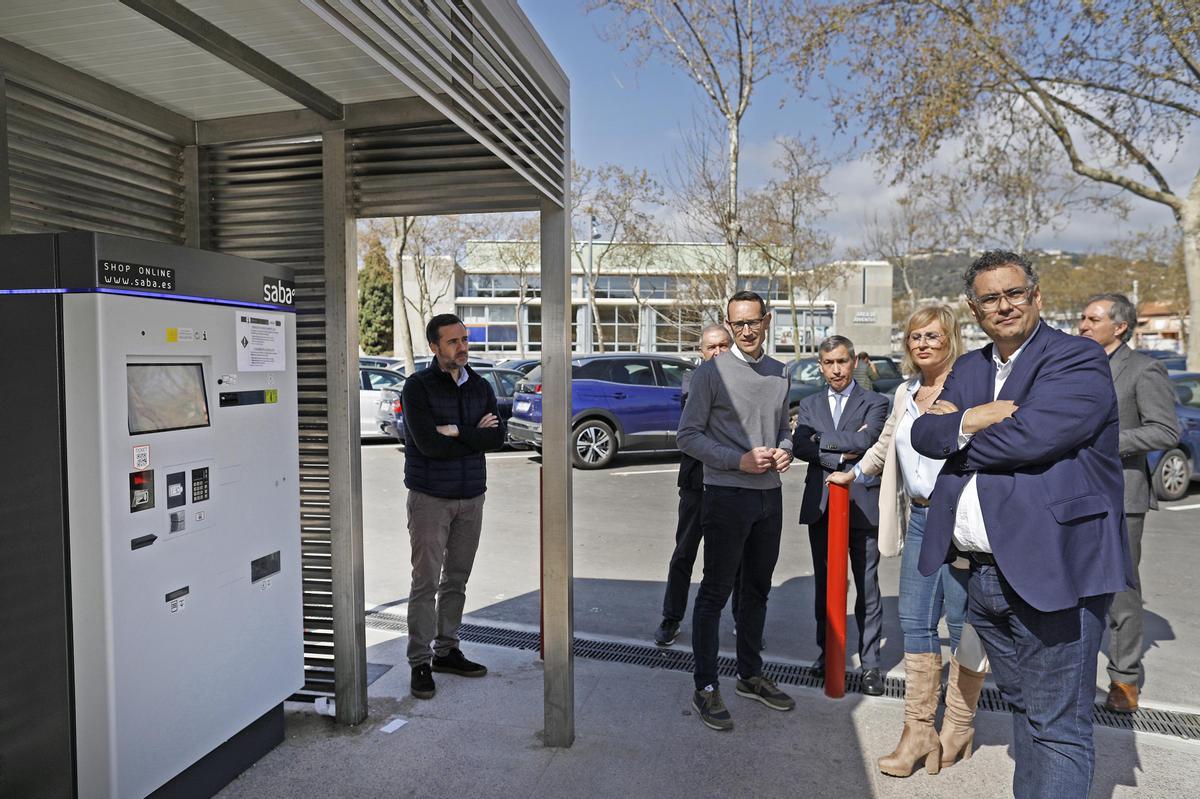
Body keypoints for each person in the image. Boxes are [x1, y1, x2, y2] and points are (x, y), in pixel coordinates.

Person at [911, 251, 1131, 799]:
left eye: (1014, 293)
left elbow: (1034, 438)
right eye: (990, 298)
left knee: (1057, 725)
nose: (1004, 306)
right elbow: (923, 437)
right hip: (982, 576)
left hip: (1053, 569)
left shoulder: (1076, 358)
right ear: (974, 309)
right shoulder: (971, 367)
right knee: (1028, 711)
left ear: (1035, 295)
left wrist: (959, 429)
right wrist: (978, 417)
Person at [828, 306, 986, 777]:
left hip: (961, 523)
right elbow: (885, 443)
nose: (922, 344)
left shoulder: (971, 389)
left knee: (961, 624)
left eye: (933, 335)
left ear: (951, 338)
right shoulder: (906, 392)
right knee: (916, 622)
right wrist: (853, 473)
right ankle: (918, 732)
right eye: (915, 336)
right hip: (920, 519)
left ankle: (959, 726)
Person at [676, 291, 795, 731]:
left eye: (753, 322)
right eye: (736, 323)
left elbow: (785, 429)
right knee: (714, 594)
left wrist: (785, 451)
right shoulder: (710, 374)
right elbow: (687, 437)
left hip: (769, 497)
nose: (745, 330)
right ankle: (705, 685)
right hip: (725, 495)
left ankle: (749, 674)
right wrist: (736, 459)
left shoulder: (781, 373)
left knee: (758, 592)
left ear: (767, 320)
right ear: (727, 324)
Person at [1079, 293, 1179, 713]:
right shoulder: (1077, 367)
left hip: (1122, 494)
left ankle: (1124, 679)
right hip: (1073, 492)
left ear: (1119, 326)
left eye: (1091, 319)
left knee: (1120, 589)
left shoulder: (1143, 369)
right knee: (1077, 589)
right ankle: (1076, 677)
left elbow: (1165, 431)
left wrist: (1107, 443)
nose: (1082, 325)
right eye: (1082, 318)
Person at [402, 313, 507, 700]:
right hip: (430, 498)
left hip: (471, 497)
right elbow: (429, 445)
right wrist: (475, 434)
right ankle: (419, 662)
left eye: (464, 339)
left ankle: (446, 650)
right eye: (453, 341)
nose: (462, 347)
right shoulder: (417, 388)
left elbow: (498, 438)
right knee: (425, 581)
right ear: (434, 347)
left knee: (457, 579)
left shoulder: (479, 384)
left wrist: (460, 431)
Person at [792, 335, 889, 695]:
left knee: (867, 590)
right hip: (822, 507)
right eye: (829, 363)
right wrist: (841, 450)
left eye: (842, 362)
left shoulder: (876, 402)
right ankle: (827, 654)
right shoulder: (810, 403)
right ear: (820, 366)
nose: (836, 369)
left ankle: (870, 665)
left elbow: (871, 441)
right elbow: (802, 444)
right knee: (825, 587)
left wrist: (825, 441)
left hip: (862, 507)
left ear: (854, 362)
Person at [654, 324, 733, 647]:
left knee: (734, 556)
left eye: (723, 346)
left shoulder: (746, 379)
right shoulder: (694, 379)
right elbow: (697, 426)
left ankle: (744, 621)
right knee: (684, 552)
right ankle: (671, 618)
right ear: (701, 351)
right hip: (697, 483)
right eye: (710, 347)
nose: (717, 352)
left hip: (732, 482)